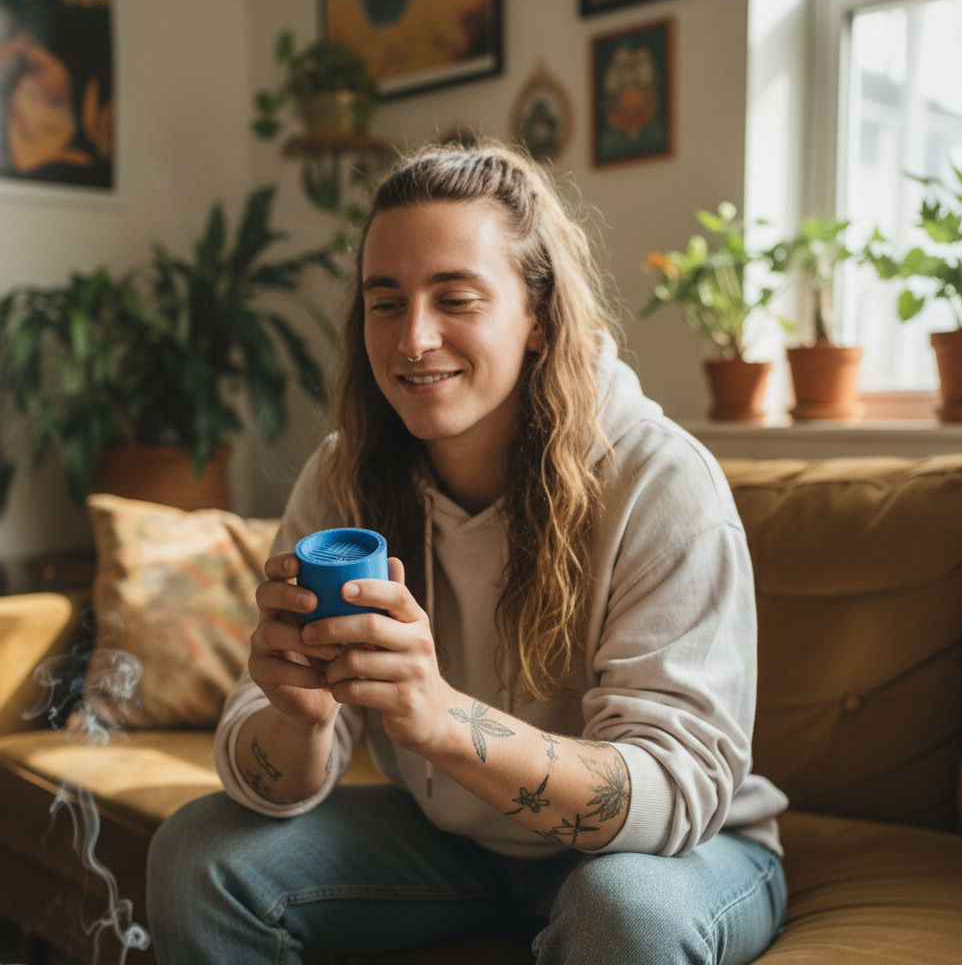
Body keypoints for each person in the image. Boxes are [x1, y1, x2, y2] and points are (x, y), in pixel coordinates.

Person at [147, 141, 789, 965]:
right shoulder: (347, 478)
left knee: (624, 914)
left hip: (676, 856)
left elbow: (670, 794)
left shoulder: (660, 481)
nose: (413, 339)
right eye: (386, 303)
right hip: (458, 845)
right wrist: (295, 717)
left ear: (538, 318)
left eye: (455, 298)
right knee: (199, 855)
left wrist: (442, 717)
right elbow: (273, 773)